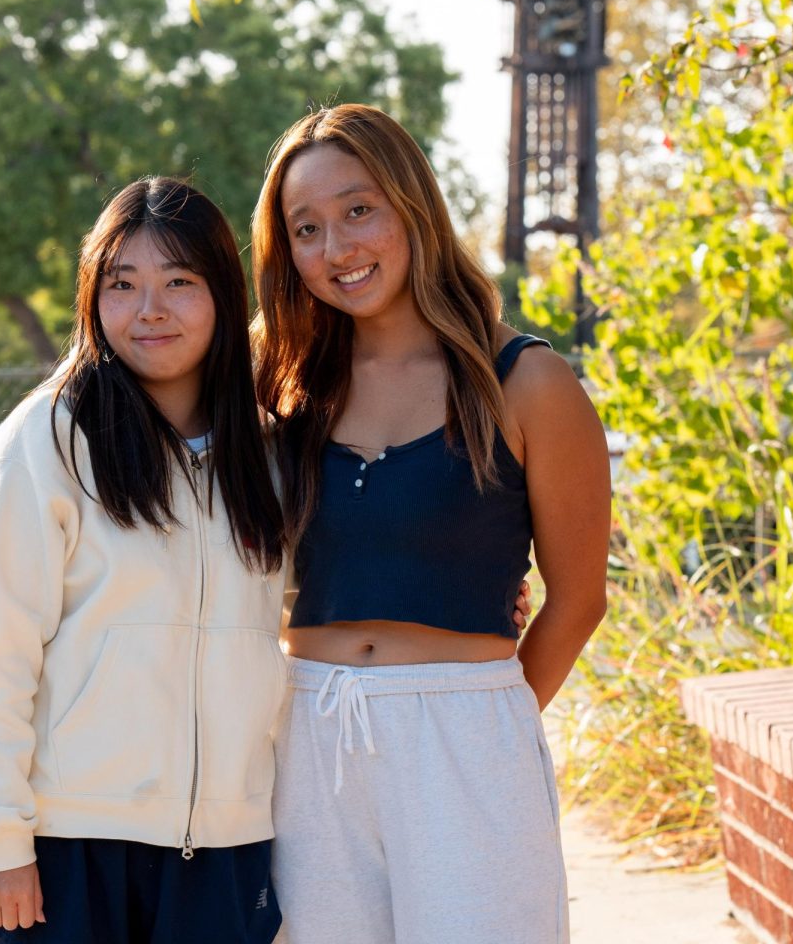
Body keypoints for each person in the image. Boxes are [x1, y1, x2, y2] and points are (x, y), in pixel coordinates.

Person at [251, 104, 612, 944]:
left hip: (466, 737)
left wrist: (488, 713)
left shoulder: (524, 382)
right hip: (306, 733)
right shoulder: (281, 389)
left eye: (358, 210)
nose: (337, 249)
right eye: (306, 229)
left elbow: (580, 597)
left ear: (413, 206)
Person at [0, 177, 289, 944]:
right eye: (122, 284)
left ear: (224, 294)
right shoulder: (49, 440)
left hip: (225, 853)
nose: (148, 309)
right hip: (68, 849)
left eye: (178, 283)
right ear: (94, 297)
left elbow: (317, 609)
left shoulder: (268, 455)